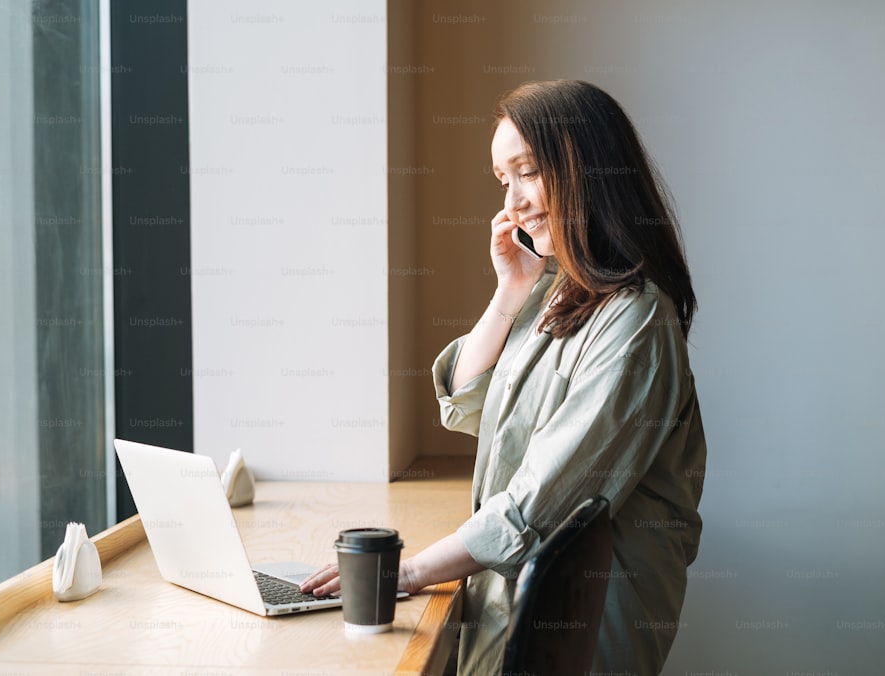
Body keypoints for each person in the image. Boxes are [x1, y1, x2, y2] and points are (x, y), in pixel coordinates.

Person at [301, 80, 706, 675]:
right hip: (509, 604)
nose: (513, 201)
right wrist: (509, 293)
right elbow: (468, 405)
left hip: (581, 635)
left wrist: (408, 571)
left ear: (588, 170)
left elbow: (538, 505)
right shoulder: (559, 292)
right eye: (502, 180)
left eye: (528, 171)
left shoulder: (636, 321)